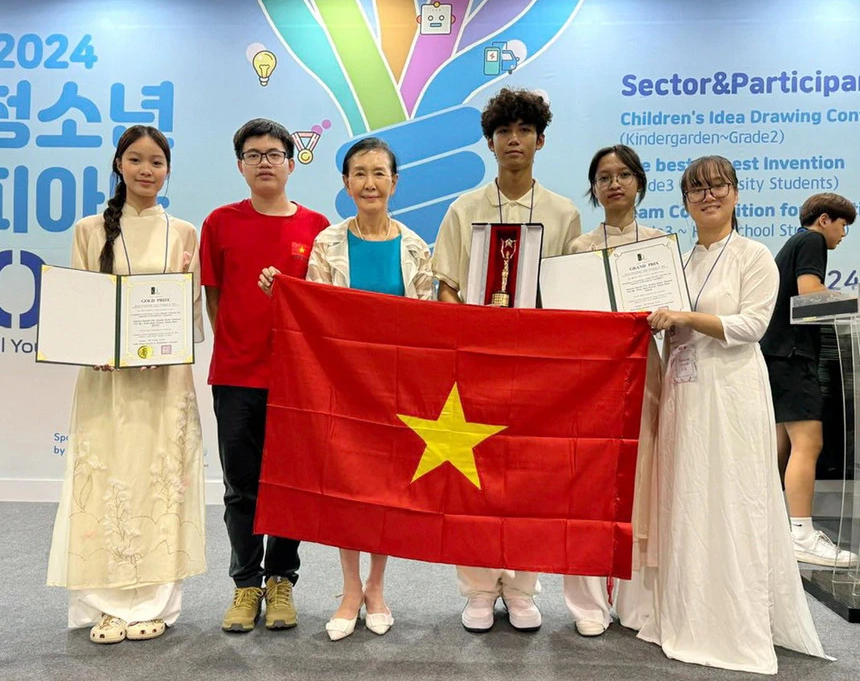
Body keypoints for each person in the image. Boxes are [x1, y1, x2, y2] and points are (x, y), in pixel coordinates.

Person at [641, 156, 826, 674]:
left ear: (737, 194)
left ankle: (731, 618)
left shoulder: (755, 254)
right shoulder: (678, 260)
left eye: (718, 186)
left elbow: (750, 326)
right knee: (687, 498)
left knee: (732, 497)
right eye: (696, 189)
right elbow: (660, 319)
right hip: (684, 396)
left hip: (732, 394)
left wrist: (683, 317)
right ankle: (687, 610)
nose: (708, 196)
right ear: (684, 202)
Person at [261, 137, 433, 640]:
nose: (370, 183)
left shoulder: (415, 247)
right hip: (343, 388)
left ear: (394, 182)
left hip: (396, 393)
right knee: (346, 488)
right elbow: (315, 316)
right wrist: (284, 294)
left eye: (379, 173)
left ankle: (377, 587)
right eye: (359, 173)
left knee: (384, 492)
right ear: (345, 183)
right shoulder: (327, 243)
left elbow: (427, 328)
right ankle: (349, 588)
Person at [47, 125, 206, 644]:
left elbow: (190, 307)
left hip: (164, 382)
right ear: (119, 164)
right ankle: (108, 605)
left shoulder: (184, 232)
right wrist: (93, 347)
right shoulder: (90, 229)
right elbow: (79, 302)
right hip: (106, 381)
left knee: (161, 479)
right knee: (110, 476)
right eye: (135, 160)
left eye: (156, 162)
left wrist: (169, 337)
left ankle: (156, 600)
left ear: (168, 169)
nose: (146, 170)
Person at [432, 87, 582, 633]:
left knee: (528, 478)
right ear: (491, 142)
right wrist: (471, 333)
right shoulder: (464, 208)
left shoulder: (563, 212)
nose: (512, 140)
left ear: (539, 140)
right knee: (473, 478)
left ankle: (522, 587)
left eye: (523, 131)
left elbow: (568, 293)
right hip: (476, 365)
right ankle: (475, 589)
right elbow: (444, 284)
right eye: (502, 132)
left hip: (537, 367)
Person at [200, 118, 329, 633]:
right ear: (240, 165)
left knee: (290, 486)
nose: (264, 162)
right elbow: (214, 294)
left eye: (274, 154)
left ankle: (281, 581)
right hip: (235, 376)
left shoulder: (316, 227)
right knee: (241, 488)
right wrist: (233, 343)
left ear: (291, 163)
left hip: (297, 380)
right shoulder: (219, 222)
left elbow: (324, 303)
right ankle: (245, 583)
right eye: (253, 155)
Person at [564, 145, 664, 636]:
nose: (614, 184)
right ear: (594, 189)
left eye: (623, 174)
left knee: (643, 484)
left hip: (646, 374)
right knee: (585, 486)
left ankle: (638, 601)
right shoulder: (578, 249)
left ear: (639, 182)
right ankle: (585, 605)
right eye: (603, 177)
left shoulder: (662, 244)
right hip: (590, 382)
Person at [760, 193, 860, 567]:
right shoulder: (811, 241)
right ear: (823, 220)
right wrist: (854, 302)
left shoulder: (794, 242)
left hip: (777, 354)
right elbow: (809, 294)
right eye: (842, 225)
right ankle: (801, 534)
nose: (843, 234)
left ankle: (769, 525)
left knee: (779, 446)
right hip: (790, 355)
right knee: (809, 442)